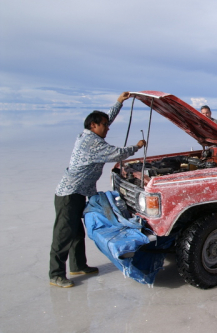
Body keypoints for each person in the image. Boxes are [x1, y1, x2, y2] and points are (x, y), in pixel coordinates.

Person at [49, 92, 146, 288]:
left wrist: (119, 102)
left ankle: (78, 265)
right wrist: (136, 147)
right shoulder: (91, 142)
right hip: (69, 194)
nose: (107, 127)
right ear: (93, 125)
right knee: (63, 234)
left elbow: (107, 117)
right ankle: (56, 274)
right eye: (104, 125)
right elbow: (116, 153)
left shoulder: (89, 133)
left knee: (77, 233)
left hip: (78, 193)